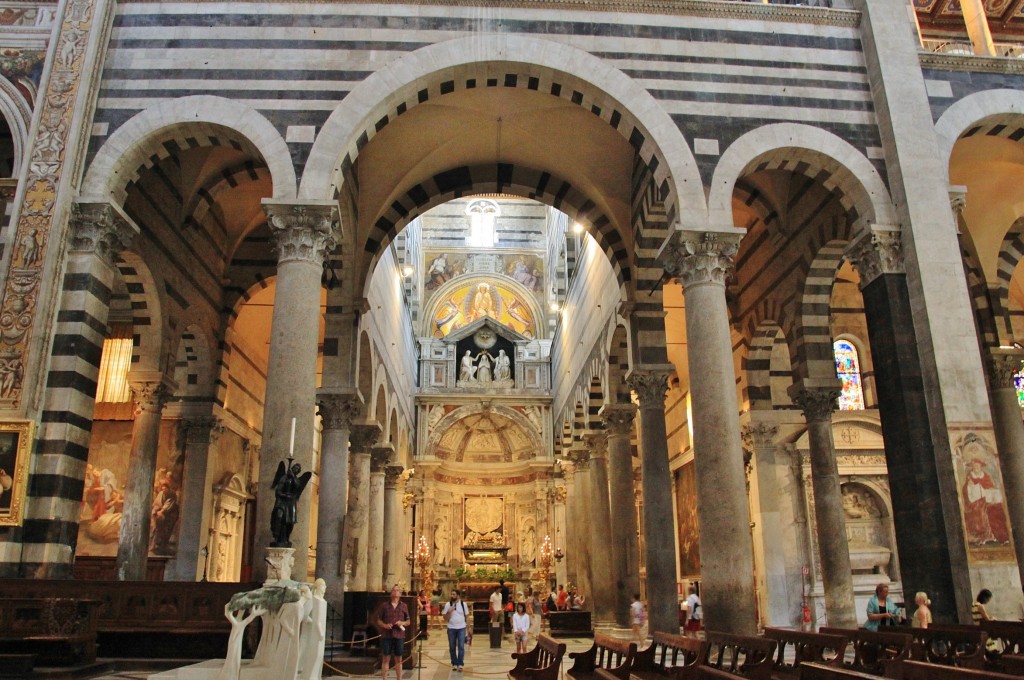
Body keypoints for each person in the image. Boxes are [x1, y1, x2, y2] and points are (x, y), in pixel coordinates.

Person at [270, 459, 312, 547]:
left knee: (289, 522)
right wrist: (284, 495)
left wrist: (292, 477)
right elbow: (278, 490)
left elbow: (297, 487)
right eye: (294, 467)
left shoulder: (296, 480)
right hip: (282, 501)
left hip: (290, 503)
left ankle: (286, 537)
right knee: (279, 516)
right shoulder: (284, 478)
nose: (295, 469)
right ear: (291, 468)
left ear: (298, 472)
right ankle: (276, 535)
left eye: (297, 469)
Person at [375, 585, 411, 680]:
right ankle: (385, 678)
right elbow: (378, 620)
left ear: (400, 594)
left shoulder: (404, 606)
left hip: (399, 635)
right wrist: (385, 625)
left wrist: (402, 623)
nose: (395, 592)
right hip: (387, 635)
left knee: (398, 659)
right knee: (386, 658)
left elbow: (408, 621)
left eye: (397, 590)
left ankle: (399, 678)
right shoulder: (384, 605)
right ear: (391, 593)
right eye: (393, 590)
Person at [443, 589, 471, 671]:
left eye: (454, 594)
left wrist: (469, 628)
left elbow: (467, 617)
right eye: (451, 594)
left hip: (461, 628)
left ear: (458, 596)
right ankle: (454, 663)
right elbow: (445, 618)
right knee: (452, 646)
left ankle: (460, 663)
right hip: (451, 628)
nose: (452, 596)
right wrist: (449, 611)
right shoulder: (448, 604)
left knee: (461, 646)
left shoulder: (463, 604)